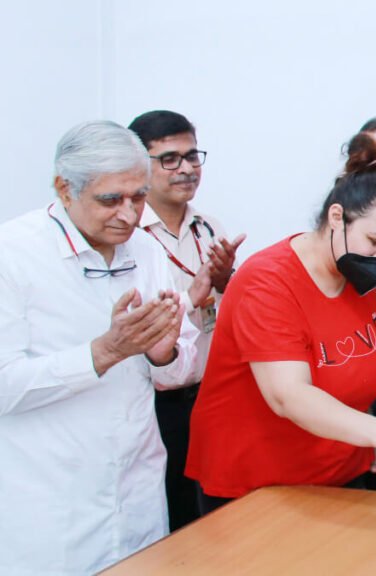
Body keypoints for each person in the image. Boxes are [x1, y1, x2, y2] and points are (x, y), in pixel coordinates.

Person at [185, 133, 376, 512]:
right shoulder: (267, 282)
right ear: (336, 218)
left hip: (337, 479)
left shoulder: (358, 279)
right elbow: (288, 395)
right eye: (375, 240)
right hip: (258, 490)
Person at [0, 120, 199, 575]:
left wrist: (162, 352)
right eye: (111, 200)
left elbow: (175, 370)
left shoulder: (144, 251)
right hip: (51, 506)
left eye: (139, 197)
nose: (129, 215)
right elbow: (4, 387)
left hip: (139, 490)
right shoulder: (12, 254)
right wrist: (104, 352)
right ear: (63, 189)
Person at [127, 110, 245, 531]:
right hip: (157, 398)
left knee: (213, 510)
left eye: (193, 156)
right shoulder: (129, 236)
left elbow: (229, 310)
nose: (187, 169)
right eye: (170, 159)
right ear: (140, 165)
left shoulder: (209, 227)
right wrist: (191, 296)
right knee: (169, 509)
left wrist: (227, 281)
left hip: (212, 392)